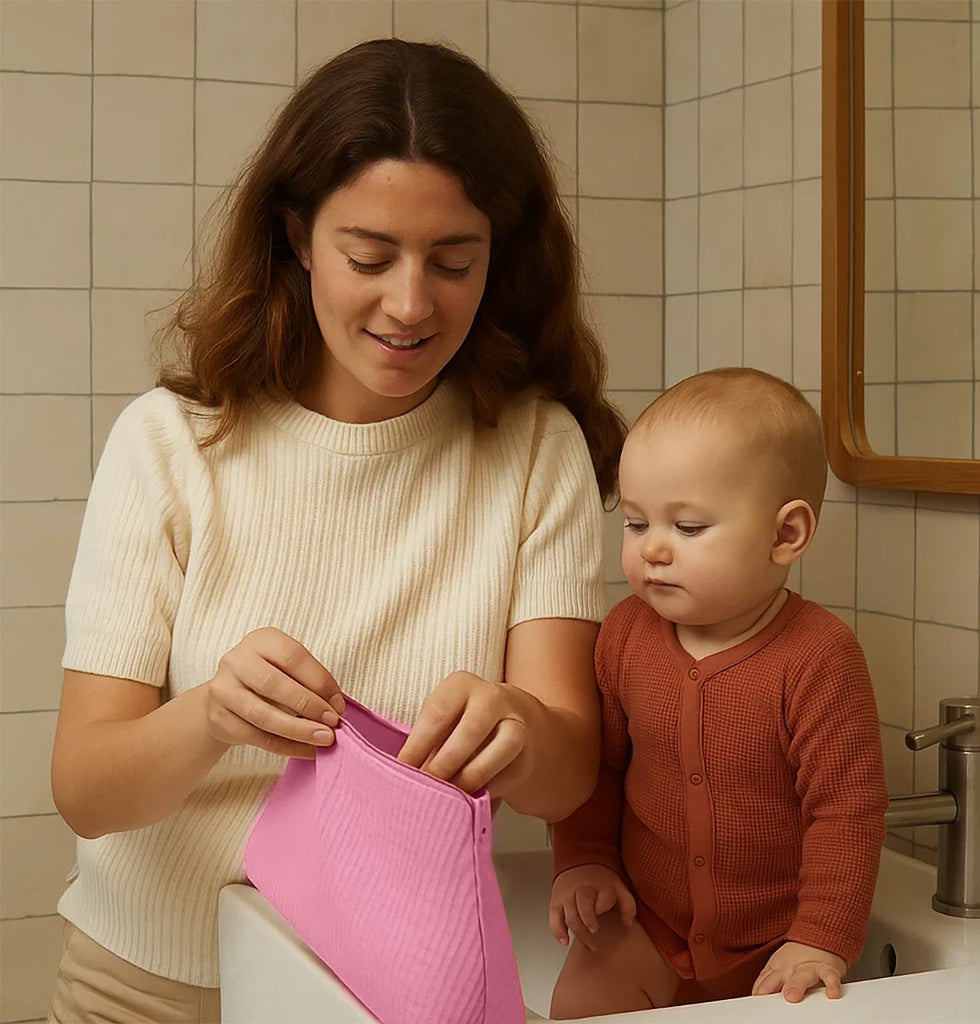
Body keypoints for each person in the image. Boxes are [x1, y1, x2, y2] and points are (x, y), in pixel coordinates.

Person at [47, 38, 626, 1024]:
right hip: (150, 994)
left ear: (502, 253)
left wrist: (521, 730)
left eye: (454, 262)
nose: (411, 304)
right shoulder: (170, 443)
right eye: (369, 257)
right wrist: (210, 718)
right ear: (297, 237)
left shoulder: (534, 449)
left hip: (392, 997)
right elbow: (86, 787)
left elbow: (568, 774)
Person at [547, 367, 888, 1017]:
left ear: (785, 535)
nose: (654, 551)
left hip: (773, 944)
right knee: (579, 1005)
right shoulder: (623, 635)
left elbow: (847, 811)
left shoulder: (820, 657)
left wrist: (820, 935)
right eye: (638, 524)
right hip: (644, 920)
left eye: (689, 528)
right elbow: (598, 767)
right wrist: (582, 861)